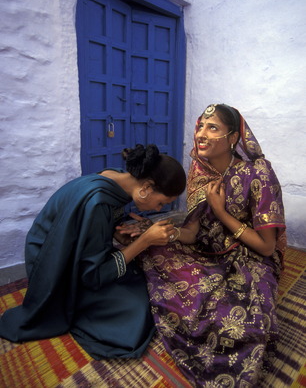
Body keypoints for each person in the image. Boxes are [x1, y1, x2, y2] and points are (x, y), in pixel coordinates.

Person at [117, 104, 286, 386]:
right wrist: (159, 232)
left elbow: (267, 247)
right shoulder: (199, 169)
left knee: (244, 322)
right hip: (206, 250)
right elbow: (192, 233)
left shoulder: (259, 173)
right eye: (200, 127)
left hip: (251, 258)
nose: (201, 135)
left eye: (213, 128)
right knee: (154, 250)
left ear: (233, 138)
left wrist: (222, 214)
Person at [0, 144, 186, 360]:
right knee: (138, 310)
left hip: (63, 250)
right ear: (147, 187)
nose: (158, 209)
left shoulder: (115, 176)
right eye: (161, 202)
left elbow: (95, 225)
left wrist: (117, 234)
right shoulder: (97, 201)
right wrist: (143, 242)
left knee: (138, 276)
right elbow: (92, 276)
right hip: (53, 265)